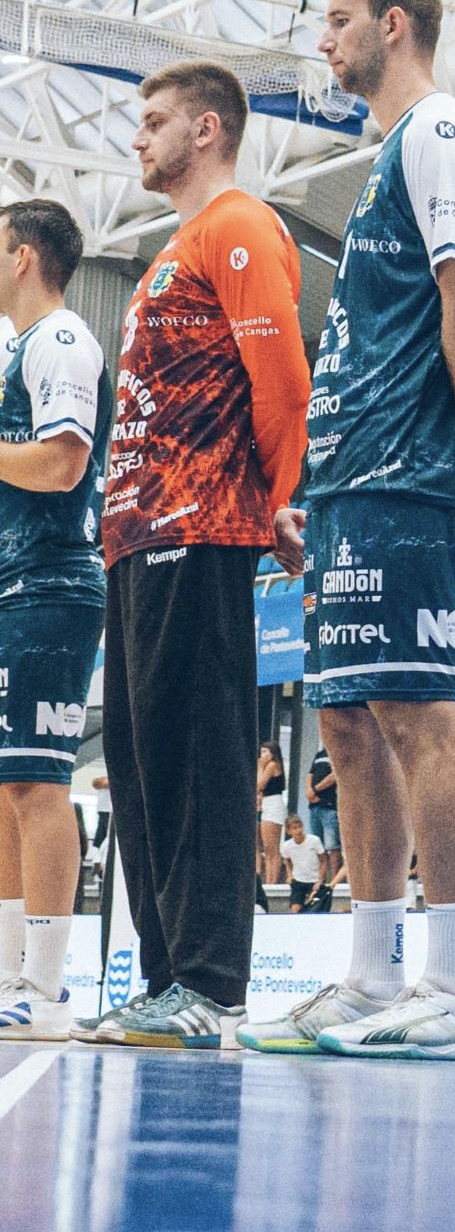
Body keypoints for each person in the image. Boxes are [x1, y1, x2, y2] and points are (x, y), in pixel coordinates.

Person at [239, 0, 455, 1063]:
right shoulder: (390, 151)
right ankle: (371, 973)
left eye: (339, 17)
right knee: (347, 723)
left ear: (394, 23)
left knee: (420, 713)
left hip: (409, 472)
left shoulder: (440, 132)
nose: (324, 37)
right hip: (351, 480)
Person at [85, 66, 308, 1050]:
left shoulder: (239, 225)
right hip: (135, 536)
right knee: (140, 768)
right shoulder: (169, 252)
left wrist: (276, 499)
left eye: (155, 121)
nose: (139, 139)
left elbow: (283, 383)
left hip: (202, 525)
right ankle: (166, 980)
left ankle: (212, 987)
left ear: (207, 128)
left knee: (199, 760)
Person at [0, 203, 112, 1040]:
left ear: (23, 257)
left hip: (52, 583)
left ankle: (45, 987)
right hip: (15, 583)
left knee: (40, 783)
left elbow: (64, 459)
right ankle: (12, 973)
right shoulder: (18, 348)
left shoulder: (63, 339)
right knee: (9, 787)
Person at [305, 750, 341, 891]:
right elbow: (310, 774)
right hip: (314, 806)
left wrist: (315, 790)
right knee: (318, 845)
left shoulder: (338, 751)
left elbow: (335, 775)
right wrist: (309, 791)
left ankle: (334, 881)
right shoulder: (319, 754)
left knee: (332, 845)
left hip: (330, 805)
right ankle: (320, 879)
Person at [282, 816, 328, 913]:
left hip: (314, 880)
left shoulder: (314, 840)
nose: (298, 830)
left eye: (300, 827)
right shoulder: (286, 846)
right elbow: (287, 861)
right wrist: (290, 875)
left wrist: (320, 879)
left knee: (313, 907)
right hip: (298, 880)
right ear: (289, 831)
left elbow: (323, 860)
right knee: (295, 909)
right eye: (295, 828)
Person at [257, 745, 287, 890]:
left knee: (273, 848)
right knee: (267, 848)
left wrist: (260, 767)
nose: (262, 755)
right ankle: (268, 880)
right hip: (266, 804)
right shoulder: (268, 765)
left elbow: (259, 785)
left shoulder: (272, 765)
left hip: (274, 804)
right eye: (261, 752)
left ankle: (272, 881)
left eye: (265, 751)